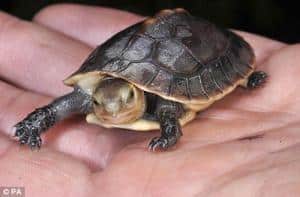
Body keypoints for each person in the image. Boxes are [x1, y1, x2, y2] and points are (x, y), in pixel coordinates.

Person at [0, 4, 299, 197]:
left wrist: (170, 131)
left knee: (173, 105)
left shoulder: (164, 104)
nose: (113, 110)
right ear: (96, 99)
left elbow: (171, 109)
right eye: (102, 104)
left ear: (137, 95)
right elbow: (61, 106)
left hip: (200, 41)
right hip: (124, 60)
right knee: (73, 103)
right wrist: (34, 124)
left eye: (125, 99)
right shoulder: (87, 97)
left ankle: (245, 77)